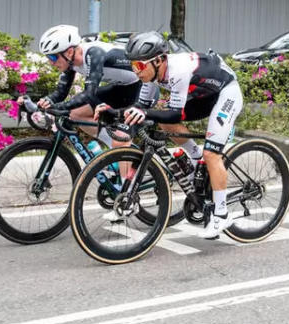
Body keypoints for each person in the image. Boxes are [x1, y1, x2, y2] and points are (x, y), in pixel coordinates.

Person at [110, 31, 243, 240]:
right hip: (204, 96)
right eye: (133, 66)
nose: (136, 71)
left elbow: (175, 113)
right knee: (161, 120)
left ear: (159, 60)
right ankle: (195, 155)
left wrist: (144, 113)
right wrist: (116, 113)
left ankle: (222, 214)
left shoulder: (178, 70)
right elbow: (142, 105)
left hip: (226, 93)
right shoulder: (151, 74)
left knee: (212, 154)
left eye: (140, 66)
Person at [34, 24, 141, 148]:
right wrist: (47, 101)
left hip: (141, 88)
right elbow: (61, 92)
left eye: (53, 57)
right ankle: (115, 151)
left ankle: (124, 152)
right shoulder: (70, 60)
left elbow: (89, 93)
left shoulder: (94, 53)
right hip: (121, 88)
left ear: (69, 52)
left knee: (121, 139)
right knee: (76, 114)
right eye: (48, 57)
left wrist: (60, 107)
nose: (51, 62)